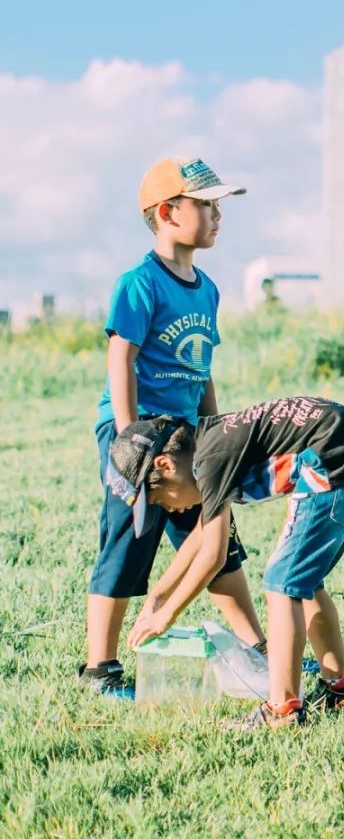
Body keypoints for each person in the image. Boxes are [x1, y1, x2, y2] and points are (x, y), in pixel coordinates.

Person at [81, 157, 264, 699]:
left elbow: (201, 369)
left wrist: (214, 432)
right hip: (140, 439)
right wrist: (128, 437)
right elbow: (122, 358)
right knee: (129, 540)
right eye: (206, 205)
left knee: (215, 535)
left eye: (219, 207)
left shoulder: (207, 289)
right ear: (167, 212)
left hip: (187, 437)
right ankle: (100, 668)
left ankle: (258, 648)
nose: (217, 216)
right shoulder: (139, 283)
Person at [116, 396, 344, 730]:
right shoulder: (209, 447)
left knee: (282, 583)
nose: (168, 508)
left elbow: (213, 557)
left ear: (165, 465)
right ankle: (342, 692)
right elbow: (202, 534)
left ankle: (282, 709)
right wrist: (157, 598)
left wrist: (166, 617)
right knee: (301, 581)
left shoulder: (210, 460)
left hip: (336, 463)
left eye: (158, 498)